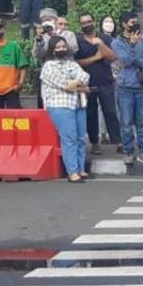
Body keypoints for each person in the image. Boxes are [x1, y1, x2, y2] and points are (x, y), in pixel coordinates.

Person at [41, 36, 91, 183]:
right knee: (69, 139)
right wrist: (81, 86)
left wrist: (77, 82)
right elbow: (64, 85)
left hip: (78, 104)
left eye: (63, 46)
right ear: (52, 49)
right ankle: (72, 172)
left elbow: (86, 76)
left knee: (81, 138)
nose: (61, 49)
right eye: (57, 47)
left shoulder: (72, 63)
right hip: (60, 105)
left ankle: (81, 169)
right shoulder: (48, 66)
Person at [112, 12, 143, 167]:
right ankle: (129, 151)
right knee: (126, 122)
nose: (135, 24)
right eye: (132, 22)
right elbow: (124, 60)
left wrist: (135, 60)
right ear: (124, 24)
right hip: (125, 88)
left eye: (137, 22)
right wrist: (131, 45)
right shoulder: (116, 43)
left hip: (142, 88)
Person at [75, 13, 120, 156]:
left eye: (89, 21)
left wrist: (100, 44)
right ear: (80, 25)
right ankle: (95, 143)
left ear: (94, 22)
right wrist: (96, 57)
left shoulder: (105, 38)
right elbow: (77, 63)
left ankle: (118, 142)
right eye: (83, 22)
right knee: (91, 114)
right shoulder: (78, 40)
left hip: (105, 81)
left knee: (111, 112)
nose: (87, 24)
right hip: (87, 83)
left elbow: (112, 57)